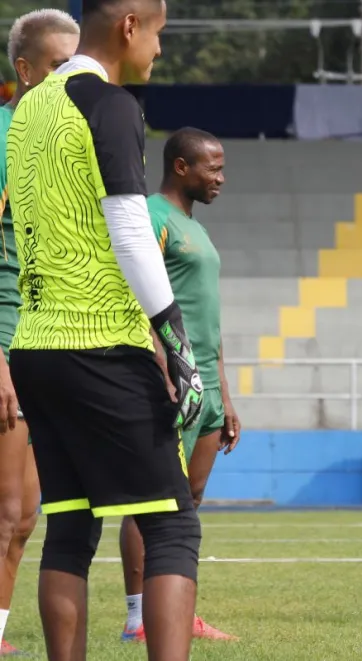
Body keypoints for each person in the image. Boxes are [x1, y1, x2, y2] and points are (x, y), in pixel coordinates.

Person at [4, 0, 205, 659]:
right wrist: (176, 343)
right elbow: (128, 227)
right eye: (159, 34)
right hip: (100, 341)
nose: (159, 49)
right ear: (129, 26)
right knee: (172, 525)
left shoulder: (29, 106)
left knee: (69, 527)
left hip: (35, 345)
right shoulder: (111, 103)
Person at [119, 126, 240, 644]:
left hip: (209, 385)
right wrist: (161, 366)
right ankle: (138, 617)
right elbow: (134, 296)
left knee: (188, 502)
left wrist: (226, 397)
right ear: (181, 167)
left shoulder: (196, 227)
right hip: (173, 380)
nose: (220, 178)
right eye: (212, 168)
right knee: (154, 499)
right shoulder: (152, 215)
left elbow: (207, 318)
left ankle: (177, 613)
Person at [0, 9, 79, 656]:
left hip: (41, 342)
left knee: (24, 517)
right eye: (57, 66)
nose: (69, 79)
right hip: (4, 345)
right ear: (23, 71)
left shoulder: (61, 140)